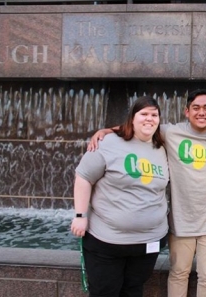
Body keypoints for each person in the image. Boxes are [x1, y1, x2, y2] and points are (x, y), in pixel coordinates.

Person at [88, 89, 206, 297]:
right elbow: (139, 126)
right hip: (181, 222)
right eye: (196, 108)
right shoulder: (170, 132)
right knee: (179, 273)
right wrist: (106, 131)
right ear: (186, 111)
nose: (202, 112)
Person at [70, 96, 170, 297]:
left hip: (148, 242)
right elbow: (83, 178)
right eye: (143, 114)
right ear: (132, 118)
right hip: (107, 242)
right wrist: (80, 216)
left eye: (154, 115)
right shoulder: (108, 143)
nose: (149, 119)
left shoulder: (162, 146)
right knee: (105, 292)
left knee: (133, 290)